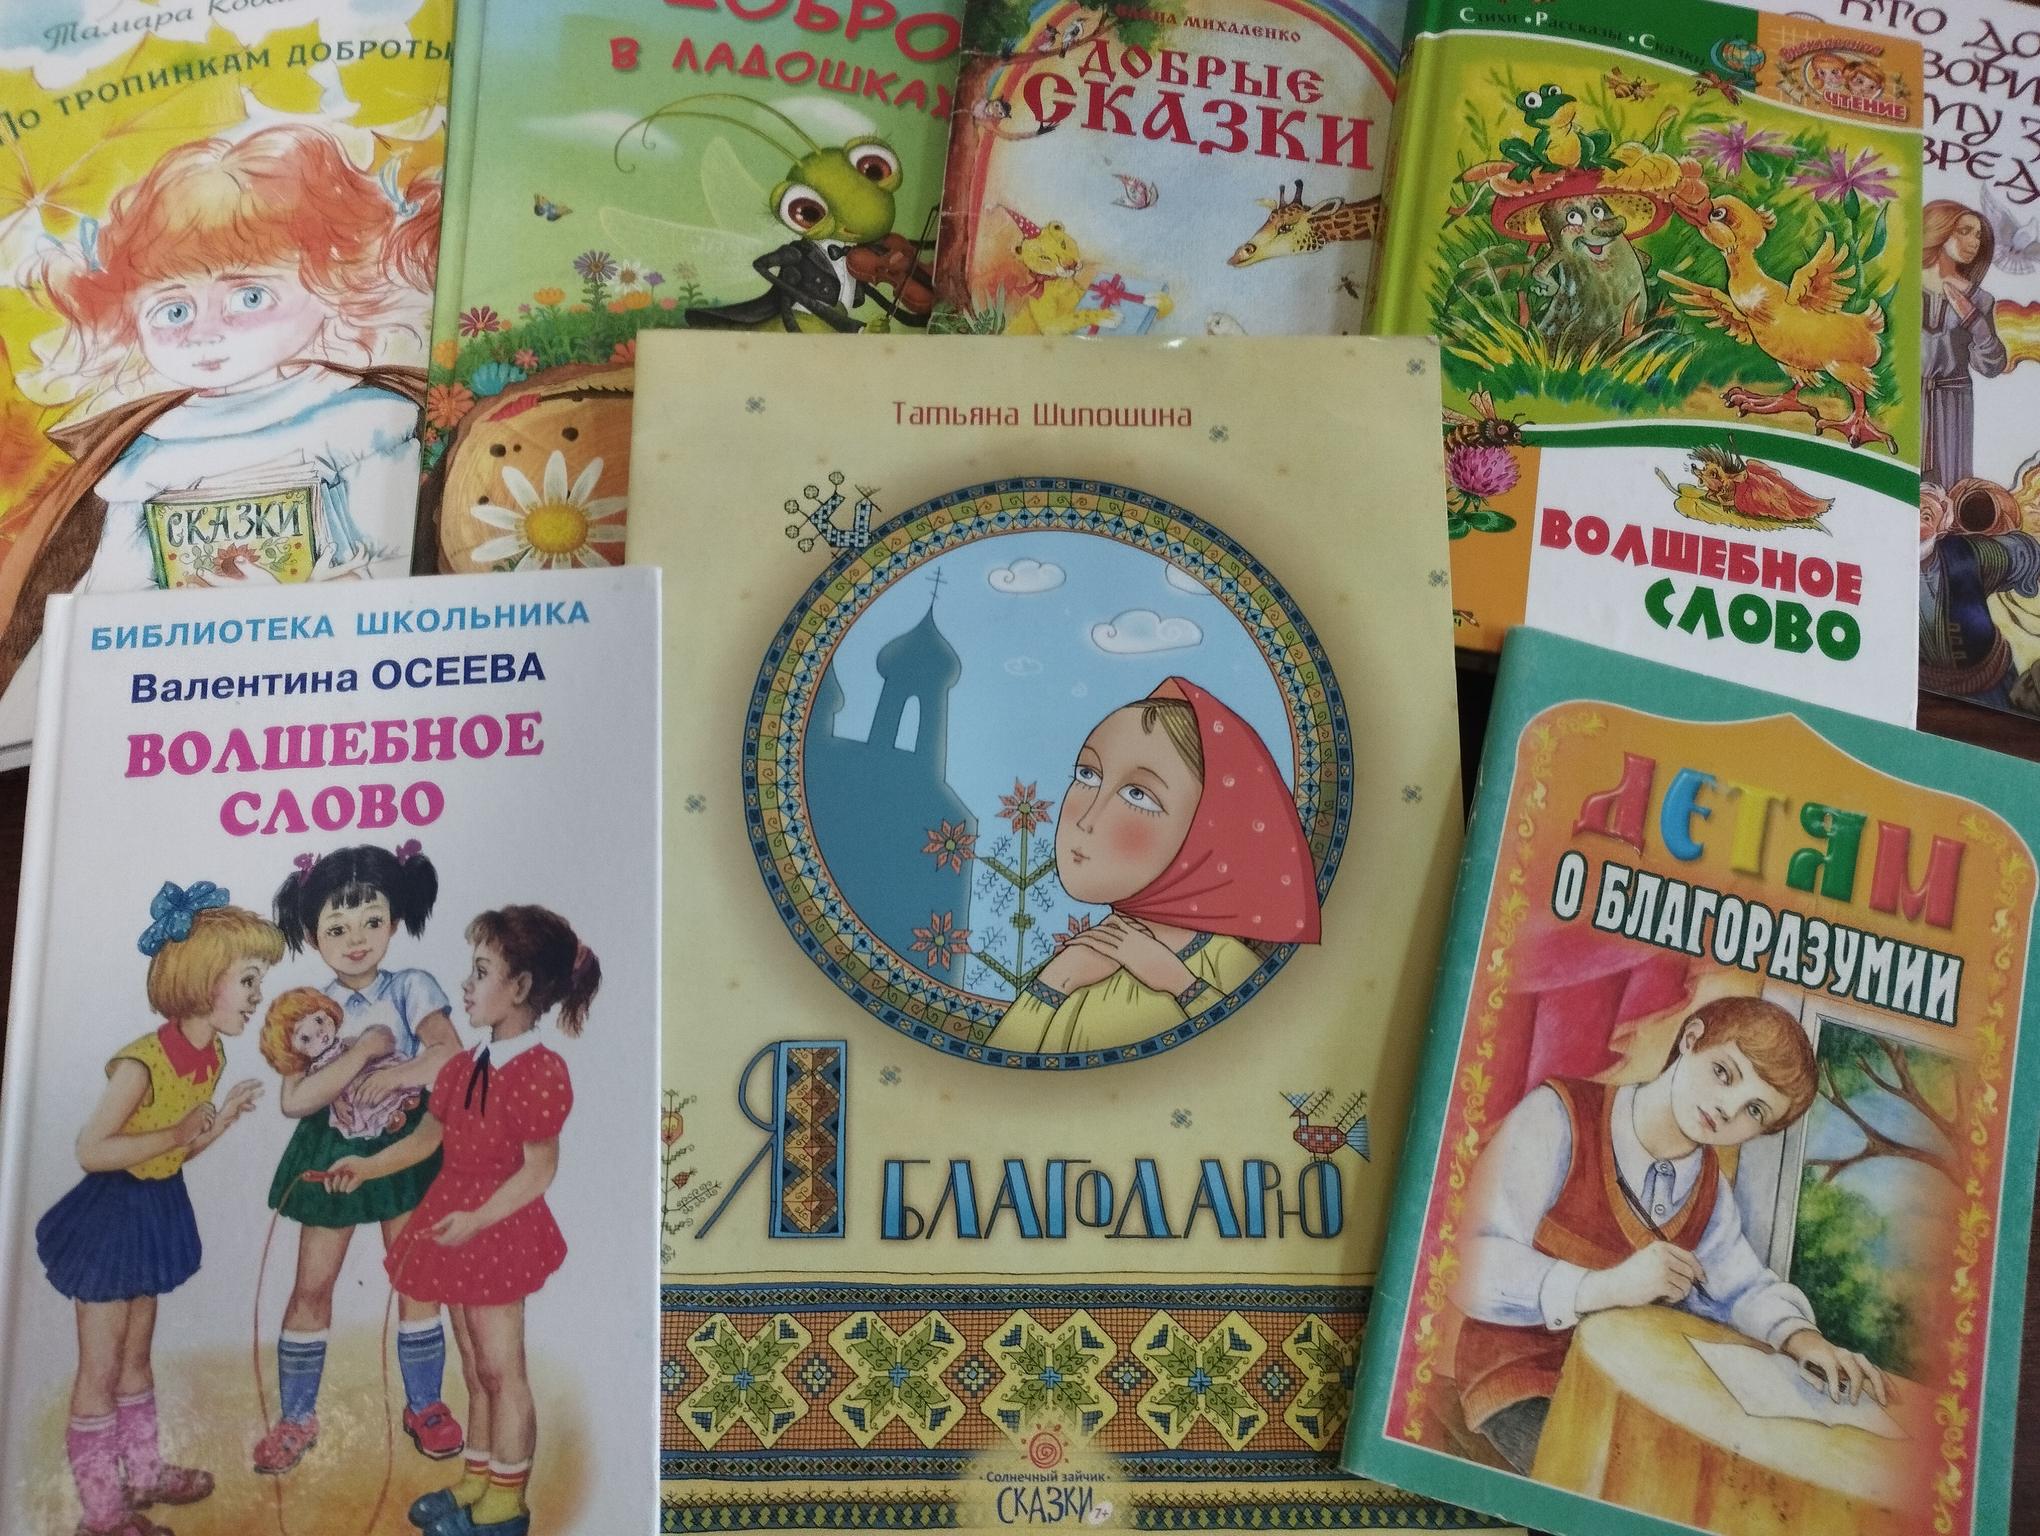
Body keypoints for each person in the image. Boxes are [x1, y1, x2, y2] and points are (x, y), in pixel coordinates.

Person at [0, 124, 438, 699]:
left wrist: (288, 606)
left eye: (250, 297)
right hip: (177, 679)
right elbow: (113, 595)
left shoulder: (360, 419)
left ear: (329, 284)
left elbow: (399, 575)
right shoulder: (152, 448)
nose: (205, 334)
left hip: (330, 675)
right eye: (173, 310)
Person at [1447, 996, 1887, 1476]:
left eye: (1755, 1110)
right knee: (1617, 1480)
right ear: (1692, 1039)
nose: (1728, 1109)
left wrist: (1802, 1337)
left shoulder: (1708, 1190)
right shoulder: (1559, 1116)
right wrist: (1606, 1286)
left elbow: (1740, 1286)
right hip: (1518, 1381)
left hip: (1629, 1392)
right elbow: (1467, 1264)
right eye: (1724, 1073)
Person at [327, 906, 600, 1536]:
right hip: (455, 1220)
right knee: (475, 1368)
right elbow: (426, 1139)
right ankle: (477, 1478)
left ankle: (507, 1502)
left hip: (498, 1227)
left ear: (520, 987)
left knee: (504, 1371)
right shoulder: (461, 1066)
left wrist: (478, 1219)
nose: (466, 985)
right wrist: (365, 1167)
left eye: (481, 972)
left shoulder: (539, 1071)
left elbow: (538, 1171)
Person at [34, 885, 275, 1536]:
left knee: (137, 1359)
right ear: (202, 981)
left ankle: (141, 1475)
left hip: (155, 1208)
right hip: (110, 1217)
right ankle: (101, 1516)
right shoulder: (140, 1063)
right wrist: (176, 1132)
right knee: (101, 1368)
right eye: (248, 980)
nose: (257, 996)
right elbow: (91, 1151)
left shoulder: (212, 1055)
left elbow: (177, 1152)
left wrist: (220, 1121)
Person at [255, 843, 463, 1473]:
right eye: (337, 928)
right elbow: (296, 1099)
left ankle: (425, 1405)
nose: (356, 940)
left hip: (404, 1143)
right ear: (312, 937)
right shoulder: (309, 1007)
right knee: (312, 1285)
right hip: (333, 1147)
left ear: (394, 922)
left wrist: (395, 1074)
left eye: (372, 921)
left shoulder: (411, 986)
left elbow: (450, 1056)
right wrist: (362, 1054)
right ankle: (296, 1418)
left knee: (416, 1278)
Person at [994, 677, 1319, 1055]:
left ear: (1207, 831)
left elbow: (1268, 1060)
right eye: (1087, 775)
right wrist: (1054, 983)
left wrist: (1180, 984)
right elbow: (1005, 1073)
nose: (1087, 818)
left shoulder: (1224, 963)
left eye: (1138, 795)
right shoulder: (1086, 957)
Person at [1921, 199, 2010, 489]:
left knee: (1951, 489)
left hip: (1953, 404)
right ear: (1939, 230)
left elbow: (1992, 365)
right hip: (1909, 398)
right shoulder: (1903, 286)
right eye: (1965, 231)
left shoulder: (1980, 299)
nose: (1975, 241)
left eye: (1979, 235)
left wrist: (1974, 321)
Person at [258, 988, 419, 1141]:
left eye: (319, 1020)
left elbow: (367, 1045)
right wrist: (338, 1103)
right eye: (306, 1038)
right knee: (366, 1102)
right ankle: (389, 1117)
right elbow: (327, 1091)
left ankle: (404, 1098)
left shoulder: (345, 1042)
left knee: (384, 1079)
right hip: (352, 1092)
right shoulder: (316, 1068)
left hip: (368, 1074)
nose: (319, 1032)